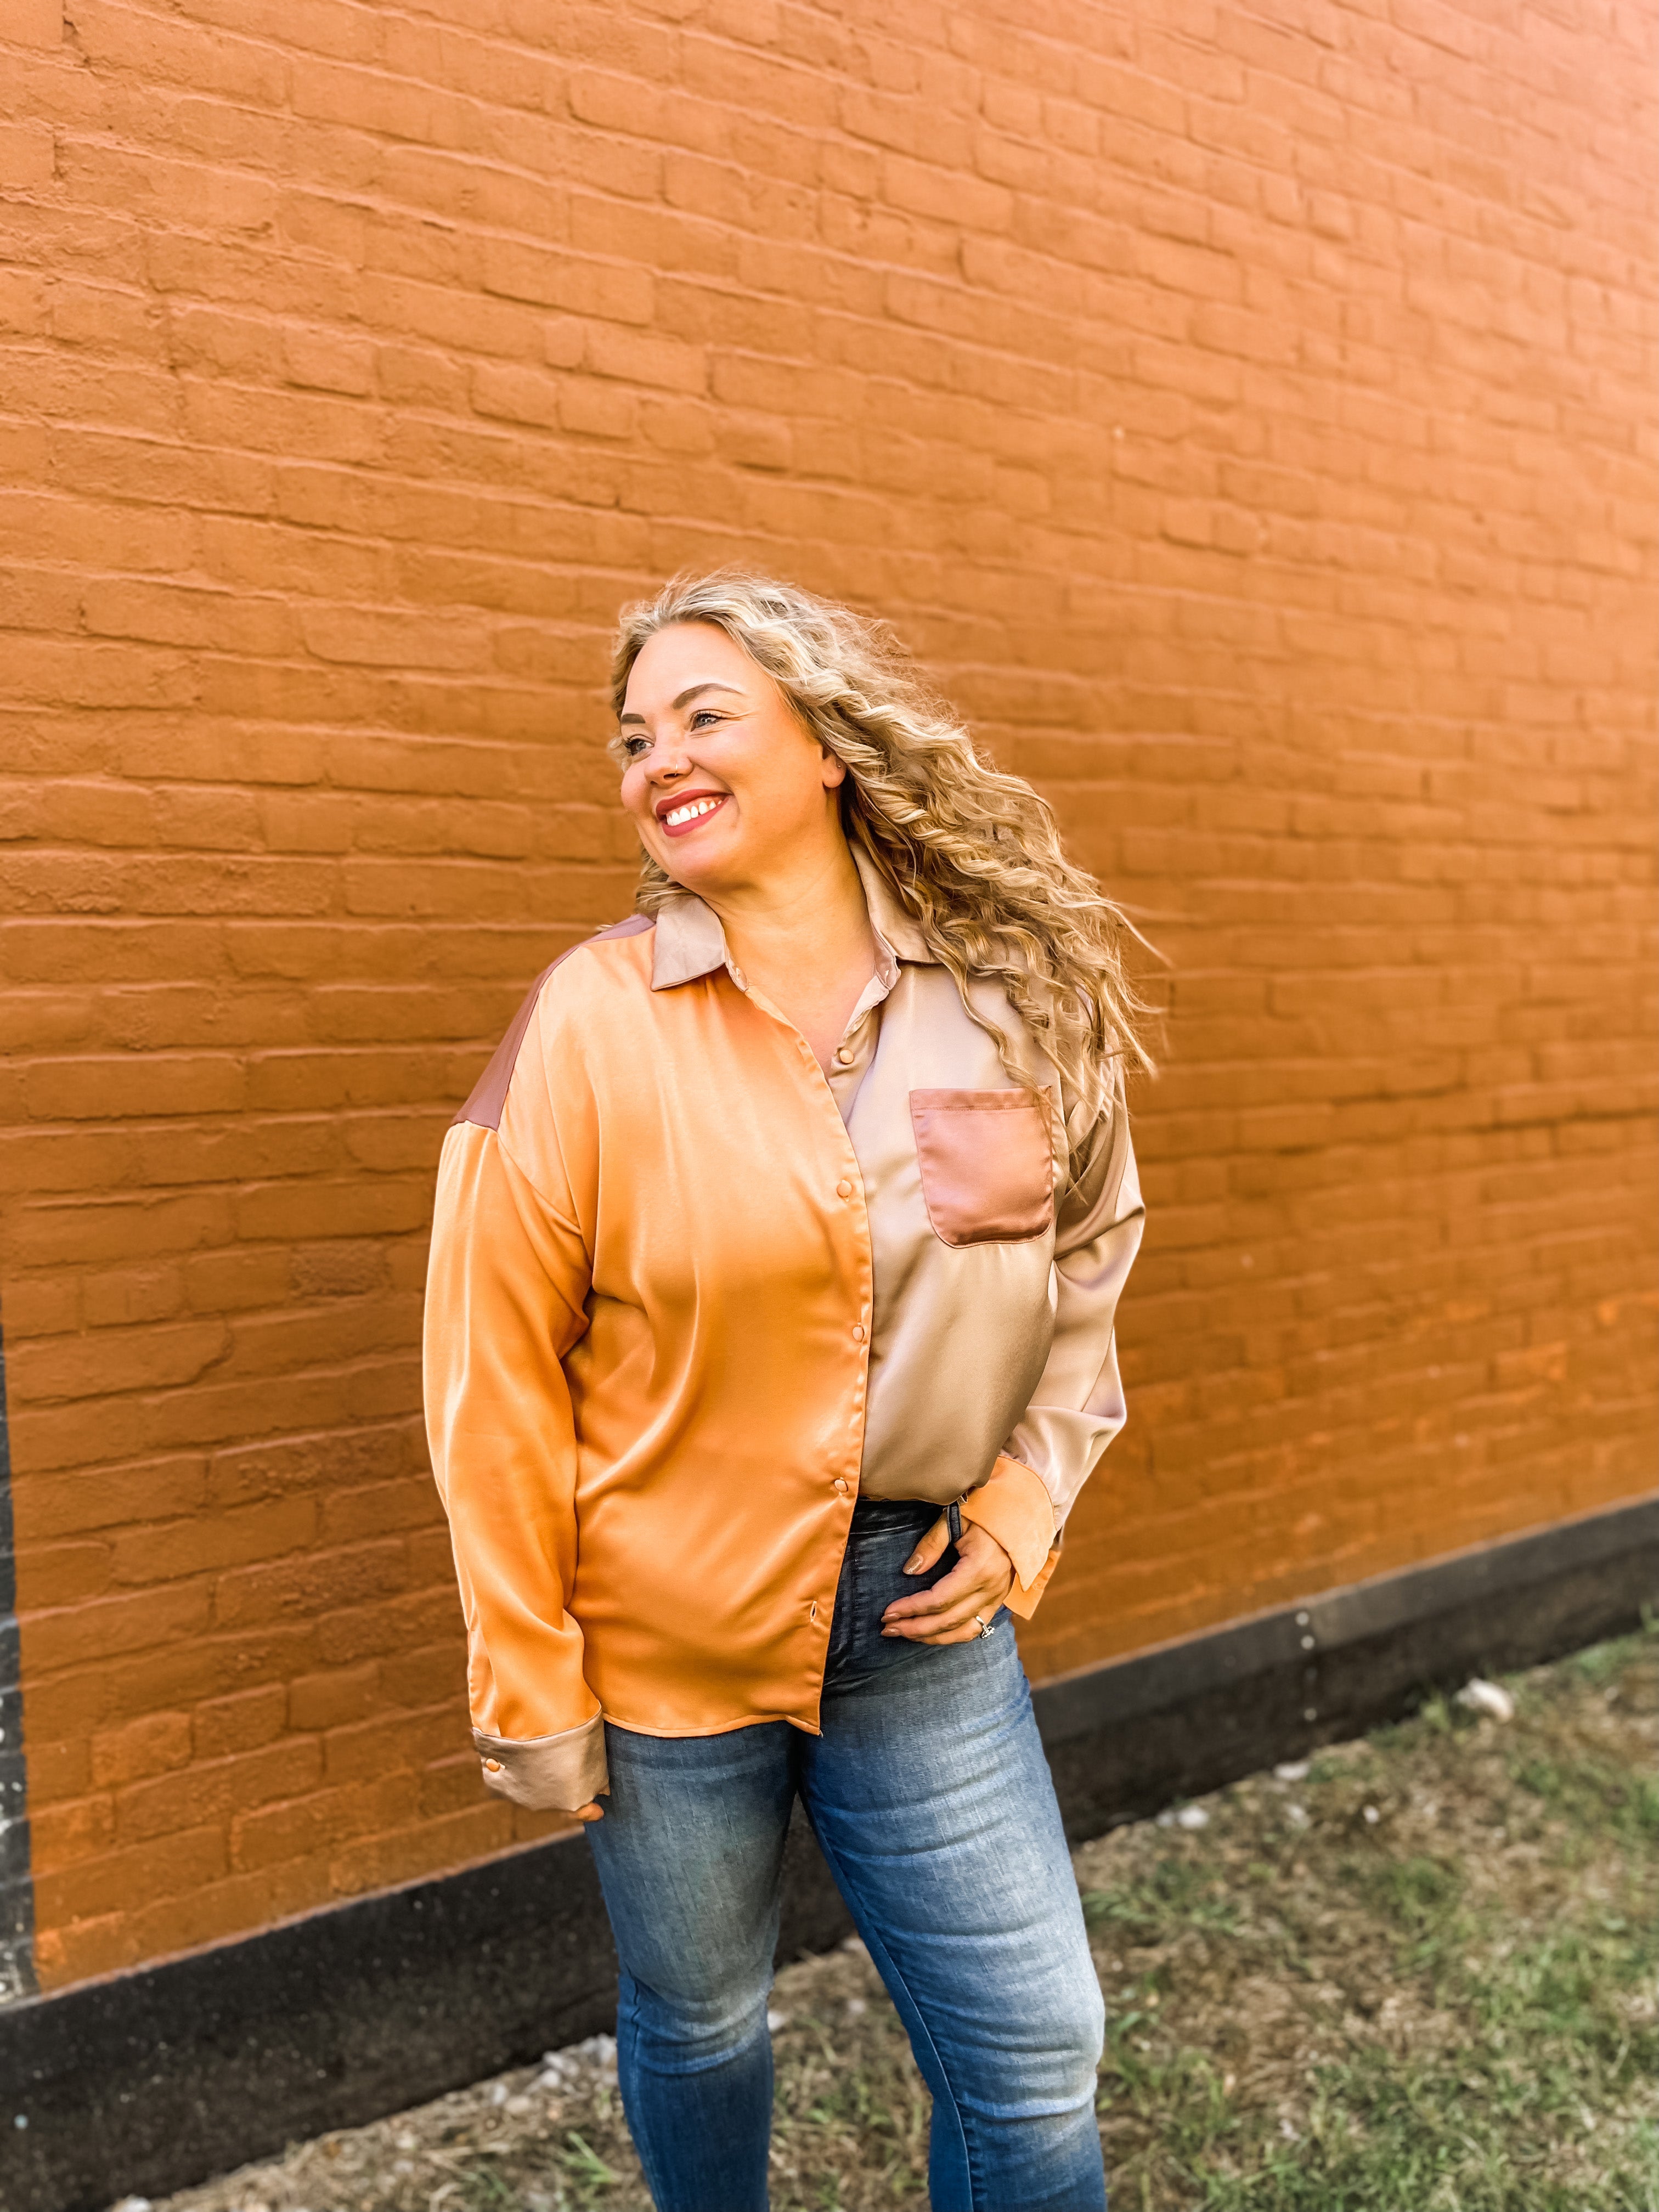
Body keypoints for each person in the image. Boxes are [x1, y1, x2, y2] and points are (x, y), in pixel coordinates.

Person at [422, 571, 1150, 2212]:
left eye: (702, 714)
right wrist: (530, 1679)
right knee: (699, 2018)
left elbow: (1092, 1250)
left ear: (825, 743)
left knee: (1035, 2051)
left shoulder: (1002, 997)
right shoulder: (590, 1025)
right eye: (629, 736)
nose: (654, 757)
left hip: (919, 1617)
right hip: (662, 1623)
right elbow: (492, 1383)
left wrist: (1029, 1494)